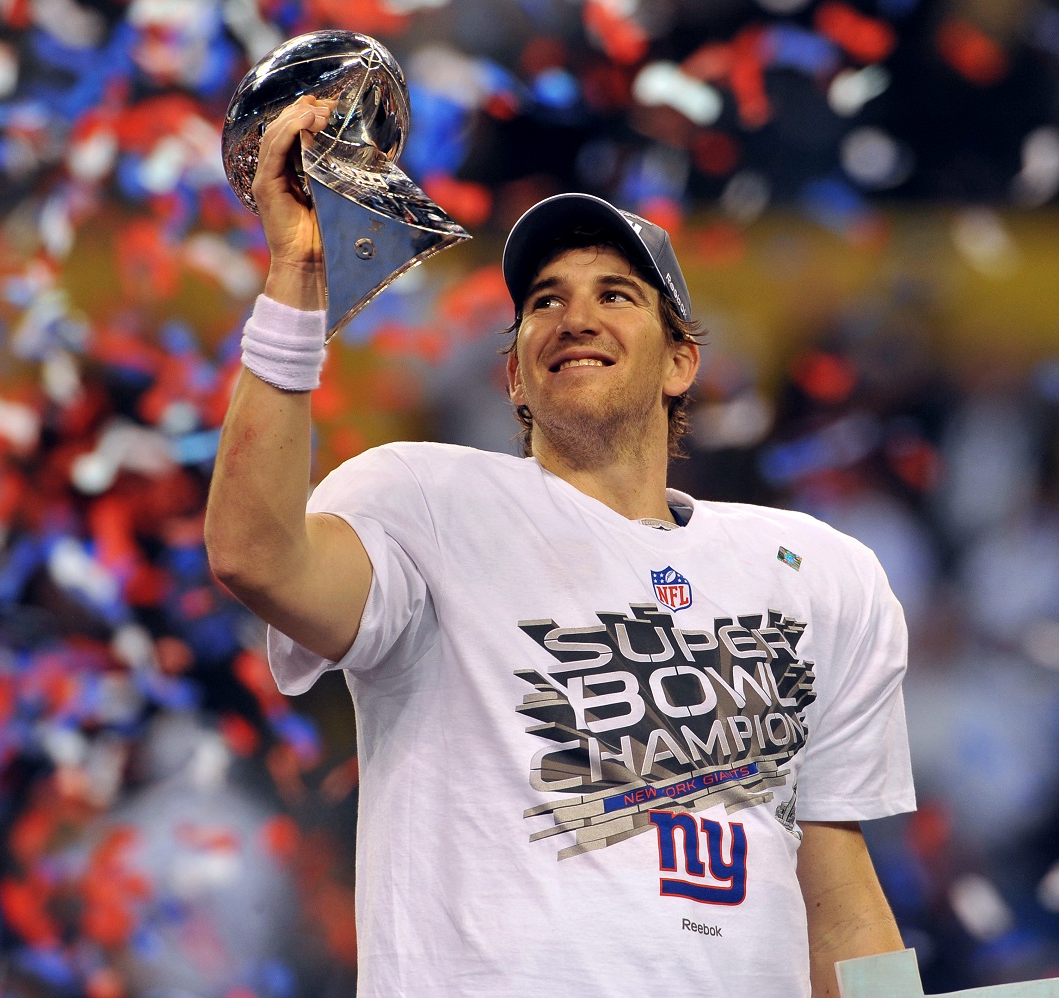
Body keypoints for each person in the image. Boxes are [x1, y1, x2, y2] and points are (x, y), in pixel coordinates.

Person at [205, 95, 915, 998]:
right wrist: (298, 278)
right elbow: (254, 557)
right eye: (545, 302)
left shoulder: (821, 573)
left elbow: (840, 894)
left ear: (680, 362)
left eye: (615, 295)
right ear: (514, 376)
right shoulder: (427, 504)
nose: (575, 318)